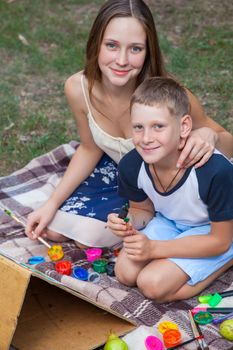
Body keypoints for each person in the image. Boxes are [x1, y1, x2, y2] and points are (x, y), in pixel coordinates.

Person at [25, 0, 233, 249]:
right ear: (96, 44)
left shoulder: (169, 97)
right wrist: (51, 203)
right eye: (112, 45)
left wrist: (209, 134)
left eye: (135, 49)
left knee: (90, 237)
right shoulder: (77, 88)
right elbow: (90, 148)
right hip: (124, 175)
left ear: (148, 52)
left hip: (170, 181)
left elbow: (227, 144)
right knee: (53, 229)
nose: (122, 60)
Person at [107, 76, 233, 303]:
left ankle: (228, 259)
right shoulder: (132, 165)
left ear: (184, 126)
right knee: (125, 272)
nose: (146, 138)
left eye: (158, 126)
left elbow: (219, 241)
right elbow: (141, 209)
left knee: (152, 284)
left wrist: (155, 249)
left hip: (215, 231)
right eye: (138, 127)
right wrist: (128, 223)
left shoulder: (214, 171)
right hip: (172, 222)